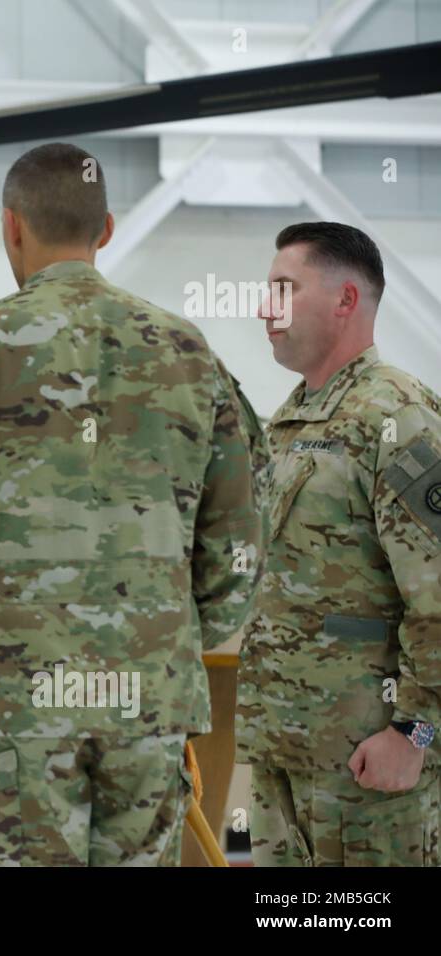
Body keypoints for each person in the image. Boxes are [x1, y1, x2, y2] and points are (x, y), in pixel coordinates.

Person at [0, 142, 263, 866]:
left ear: (11, 227)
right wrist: (165, 628)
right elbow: (240, 540)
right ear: (105, 229)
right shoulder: (190, 352)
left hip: (10, 702)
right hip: (147, 698)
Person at [237, 221, 441, 866]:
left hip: (368, 768)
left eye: (285, 288)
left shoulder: (398, 418)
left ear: (345, 300)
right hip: (286, 755)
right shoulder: (292, 420)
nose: (265, 307)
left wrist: (415, 734)